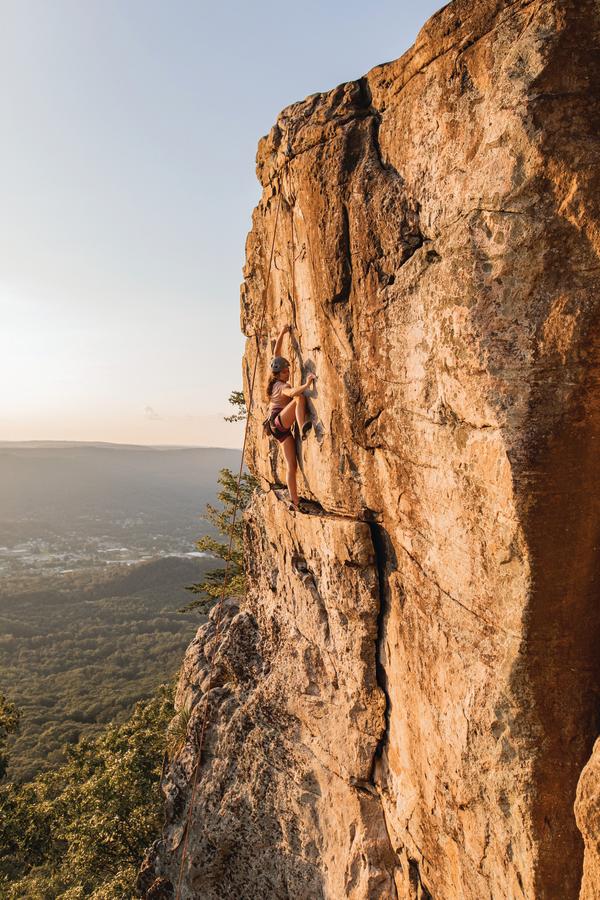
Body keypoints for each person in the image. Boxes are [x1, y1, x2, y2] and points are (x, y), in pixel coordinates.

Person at [264, 324, 316, 511]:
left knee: (291, 467)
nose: (289, 372)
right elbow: (293, 391)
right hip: (279, 422)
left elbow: (276, 352)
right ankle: (303, 427)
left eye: (288, 370)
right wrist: (308, 383)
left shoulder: (275, 378)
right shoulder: (280, 385)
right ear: (278, 373)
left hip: (279, 429)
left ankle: (295, 502)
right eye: (286, 371)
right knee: (298, 397)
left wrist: (282, 333)